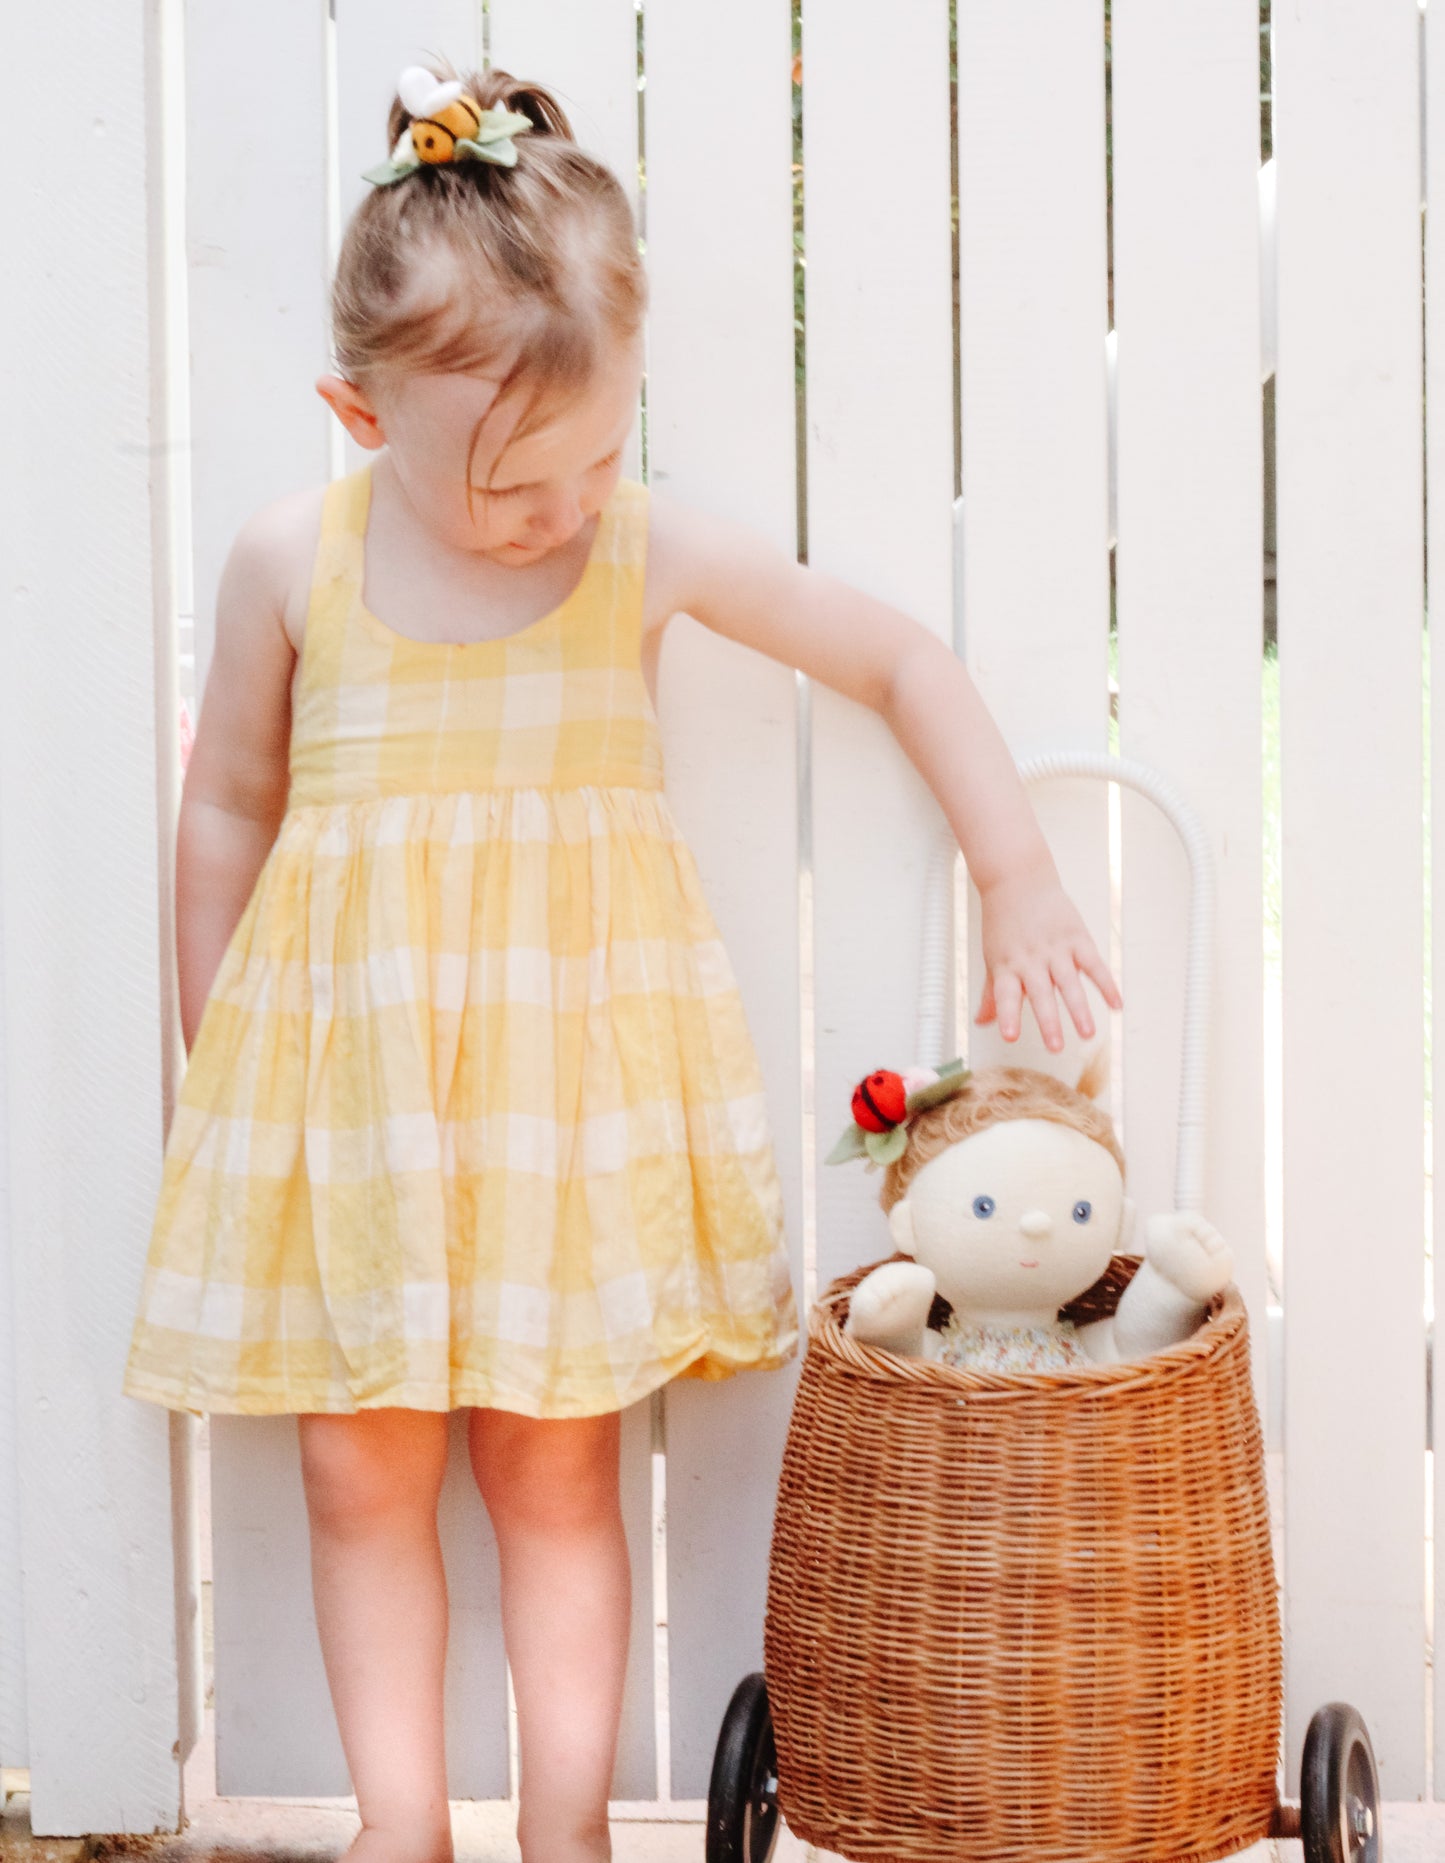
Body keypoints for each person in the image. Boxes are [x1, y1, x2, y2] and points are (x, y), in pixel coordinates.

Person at [122, 60, 1122, 1863]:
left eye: (599, 456)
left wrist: (1020, 872)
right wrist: (219, 1078)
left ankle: (566, 1829)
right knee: (361, 1471)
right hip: (354, 1113)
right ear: (359, 415)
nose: (564, 509)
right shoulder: (294, 564)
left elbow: (892, 655)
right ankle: (398, 1829)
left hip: (560, 1116)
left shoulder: (637, 554)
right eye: (516, 486)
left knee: (552, 1466)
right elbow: (223, 819)